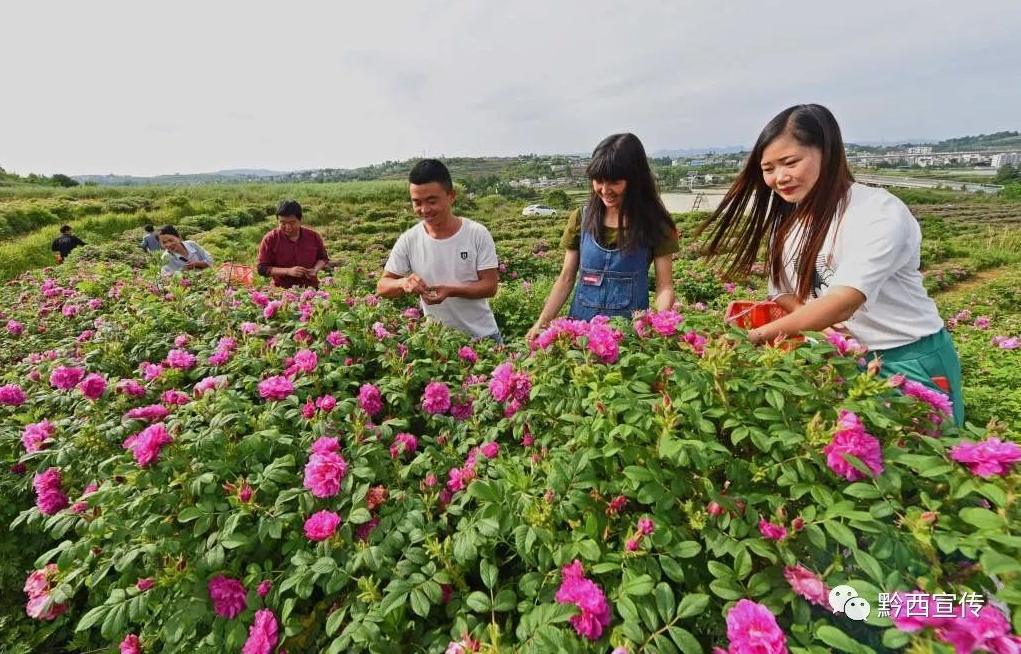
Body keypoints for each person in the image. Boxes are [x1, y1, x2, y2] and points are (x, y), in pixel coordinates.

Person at [698, 103, 964, 425]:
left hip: (904, 355)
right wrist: (812, 320)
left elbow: (842, 303)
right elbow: (780, 290)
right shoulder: (790, 220)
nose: (779, 178)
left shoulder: (877, 212)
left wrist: (752, 337)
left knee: (927, 463)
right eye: (768, 168)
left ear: (827, 152)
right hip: (840, 358)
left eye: (790, 162)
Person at [527, 133, 679, 340]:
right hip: (580, 335)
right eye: (598, 181)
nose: (605, 190)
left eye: (614, 182)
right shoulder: (582, 217)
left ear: (635, 180)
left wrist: (658, 326)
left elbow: (665, 286)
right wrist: (541, 323)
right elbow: (566, 279)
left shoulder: (656, 224)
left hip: (628, 337)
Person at [377, 159, 502, 341]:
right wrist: (403, 283)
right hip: (438, 343)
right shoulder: (410, 239)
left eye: (432, 201)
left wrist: (451, 291)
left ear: (451, 195)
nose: (424, 209)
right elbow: (382, 286)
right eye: (417, 203)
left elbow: (490, 286)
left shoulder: (476, 234)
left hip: (483, 337)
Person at [256, 200, 329, 288]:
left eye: (292, 223)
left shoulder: (313, 236)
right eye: (282, 223)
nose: (287, 227)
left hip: (311, 288)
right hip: (281, 290)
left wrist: (315, 269)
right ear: (277, 221)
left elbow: (323, 258)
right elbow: (262, 268)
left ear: (300, 219)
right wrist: (288, 271)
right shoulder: (270, 239)